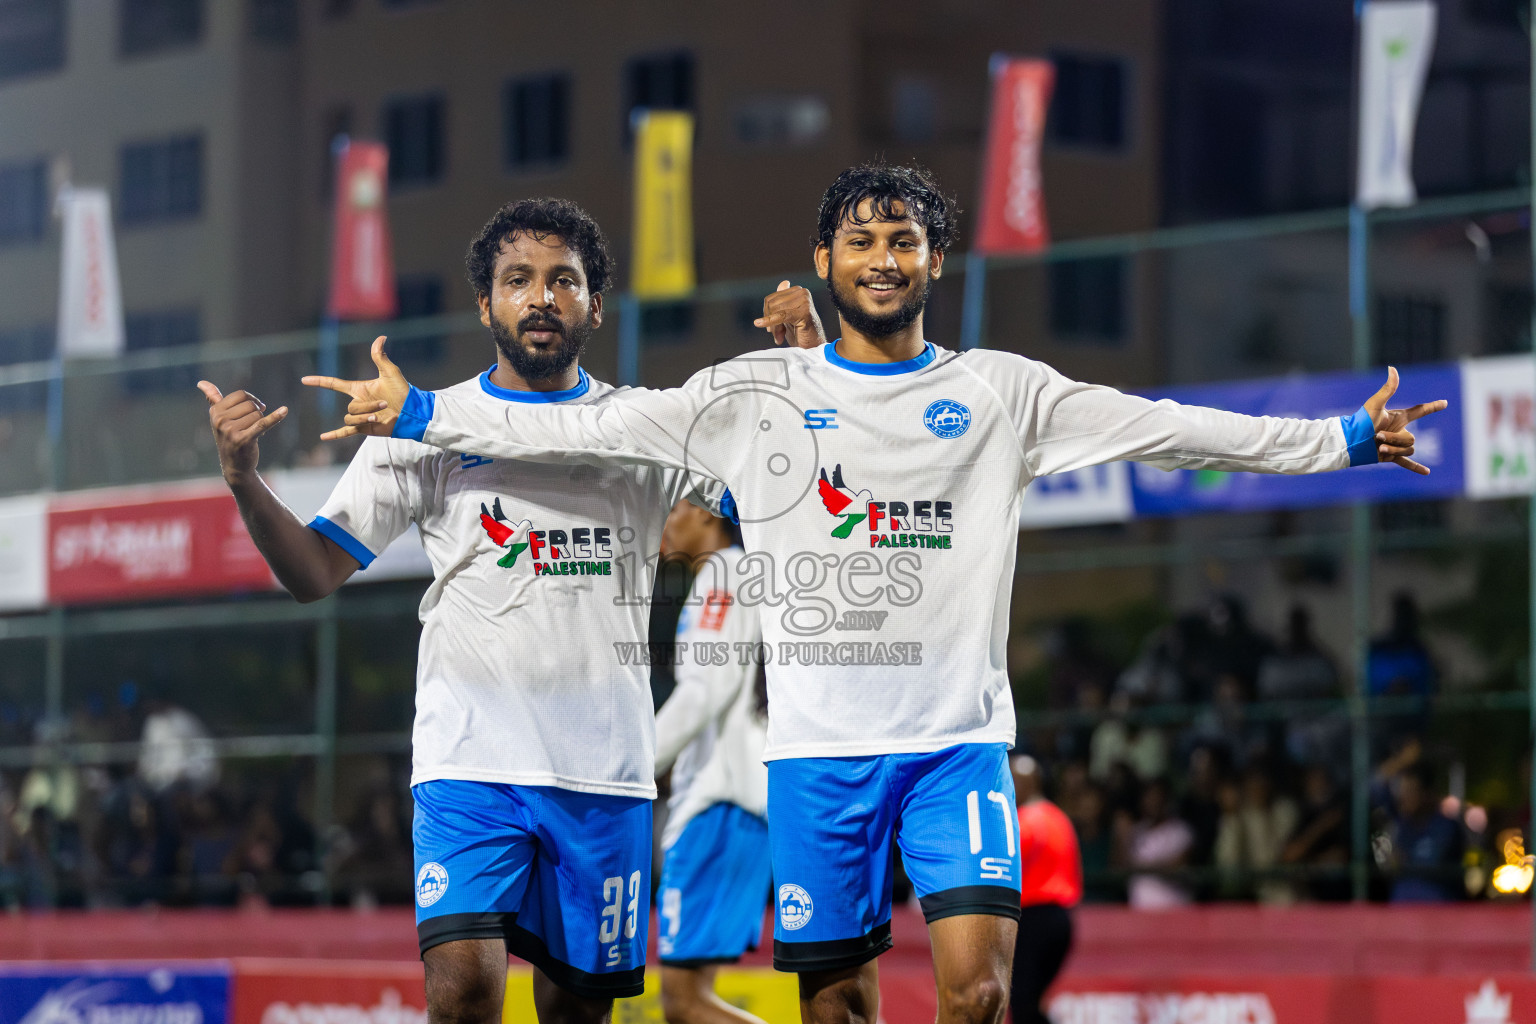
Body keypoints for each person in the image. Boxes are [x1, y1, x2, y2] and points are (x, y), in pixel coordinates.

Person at [306, 163, 1446, 1024]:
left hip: (957, 745)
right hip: (816, 762)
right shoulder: (756, 395)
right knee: (840, 1010)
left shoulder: (1003, 392)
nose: (884, 256)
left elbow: (1172, 425)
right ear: (825, 260)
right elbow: (589, 422)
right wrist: (423, 417)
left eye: (904, 240)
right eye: (862, 239)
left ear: (934, 264)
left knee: (977, 995)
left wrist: (1338, 437)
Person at [199, 197, 825, 1024]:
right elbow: (314, 570)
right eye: (518, 280)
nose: (541, 298)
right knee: (463, 997)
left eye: (564, 281)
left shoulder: (644, 428)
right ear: (486, 303)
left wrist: (814, 363)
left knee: (576, 1015)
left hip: (603, 777)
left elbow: (794, 497)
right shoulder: (418, 430)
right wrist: (245, 479)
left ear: (596, 306)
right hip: (470, 766)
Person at [652, 500, 770, 1024]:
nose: (662, 523)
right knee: (690, 997)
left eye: (671, 508)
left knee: (683, 1002)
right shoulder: (738, 573)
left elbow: (705, 690)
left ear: (704, 512)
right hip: (732, 799)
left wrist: (634, 764)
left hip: (719, 803)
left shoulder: (724, 573)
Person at [1010, 756, 1080, 1024]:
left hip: (1032, 920)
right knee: (1028, 1000)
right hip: (1061, 921)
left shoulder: (1022, 821)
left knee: (1022, 1002)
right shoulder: (1060, 819)